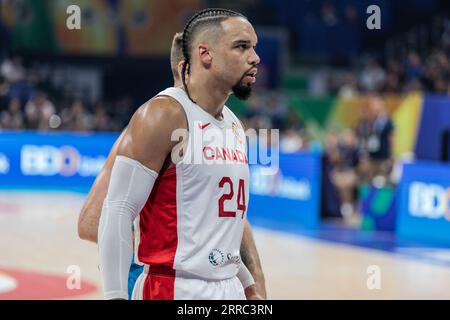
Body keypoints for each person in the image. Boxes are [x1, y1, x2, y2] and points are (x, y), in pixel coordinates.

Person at [79, 19, 265, 300]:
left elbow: (217, 232)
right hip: (172, 285)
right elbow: (104, 215)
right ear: (195, 61)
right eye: (241, 47)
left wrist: (251, 285)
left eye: (253, 47)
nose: (255, 58)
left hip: (228, 287)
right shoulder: (159, 116)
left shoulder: (234, 125)